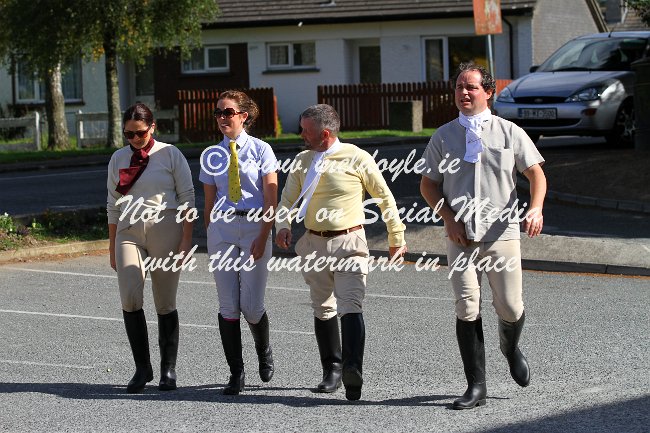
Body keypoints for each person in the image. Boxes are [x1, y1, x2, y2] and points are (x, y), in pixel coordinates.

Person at [420, 63, 547, 409]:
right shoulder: (443, 136)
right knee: (467, 306)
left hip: (501, 232)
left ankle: (510, 347)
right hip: (460, 236)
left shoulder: (509, 132)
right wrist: (448, 219)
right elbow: (428, 185)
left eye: (471, 87)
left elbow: (536, 175)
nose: (463, 92)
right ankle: (476, 386)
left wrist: (535, 209)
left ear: (488, 92)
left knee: (510, 306)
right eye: (459, 87)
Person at [275, 104, 407, 401]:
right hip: (313, 243)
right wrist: (282, 225)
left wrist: (396, 236)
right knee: (322, 307)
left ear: (324, 133)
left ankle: (352, 370)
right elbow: (287, 200)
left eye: (306, 130)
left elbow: (384, 197)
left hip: (349, 243)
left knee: (350, 304)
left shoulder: (357, 157)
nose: (301, 135)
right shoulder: (301, 161)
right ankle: (332, 370)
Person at [107, 103, 195, 393]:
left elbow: (187, 197)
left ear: (153, 127)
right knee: (130, 297)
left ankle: (168, 369)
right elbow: (112, 205)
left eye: (140, 133)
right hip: (128, 231)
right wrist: (111, 246)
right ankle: (142, 368)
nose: (134, 139)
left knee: (165, 301)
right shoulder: (118, 158)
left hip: (165, 228)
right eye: (128, 134)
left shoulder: (170, 154)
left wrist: (186, 239)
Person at [200, 90, 278, 395]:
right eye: (218, 113)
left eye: (228, 112)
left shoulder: (261, 150)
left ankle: (264, 349)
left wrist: (263, 233)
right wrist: (211, 230)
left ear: (243, 116)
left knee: (251, 307)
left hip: (255, 227)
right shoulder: (212, 154)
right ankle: (236, 372)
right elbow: (208, 200)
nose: (222, 118)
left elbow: (271, 196)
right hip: (222, 230)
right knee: (228, 305)